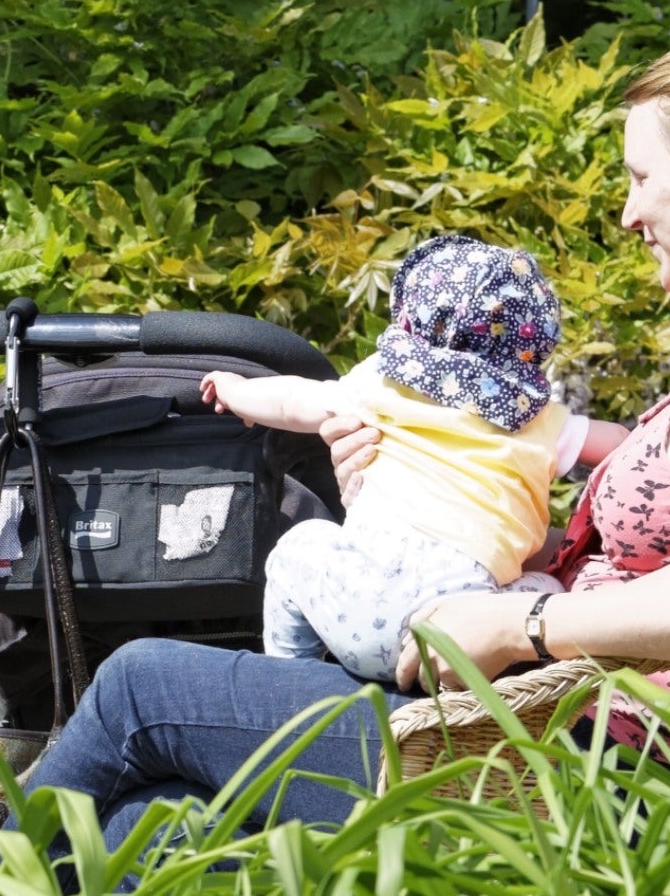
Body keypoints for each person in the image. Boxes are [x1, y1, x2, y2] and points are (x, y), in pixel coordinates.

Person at [20, 0, 670, 845]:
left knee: (139, 687)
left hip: (594, 763)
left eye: (642, 178)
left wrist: (516, 627)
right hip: (570, 726)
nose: (630, 212)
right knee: (157, 815)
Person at [202, 233, 627, 682]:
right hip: (460, 640)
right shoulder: (540, 421)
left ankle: (289, 678)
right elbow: (622, 445)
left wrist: (237, 391)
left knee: (297, 545)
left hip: (358, 620)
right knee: (550, 592)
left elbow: (292, 401)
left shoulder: (380, 386)